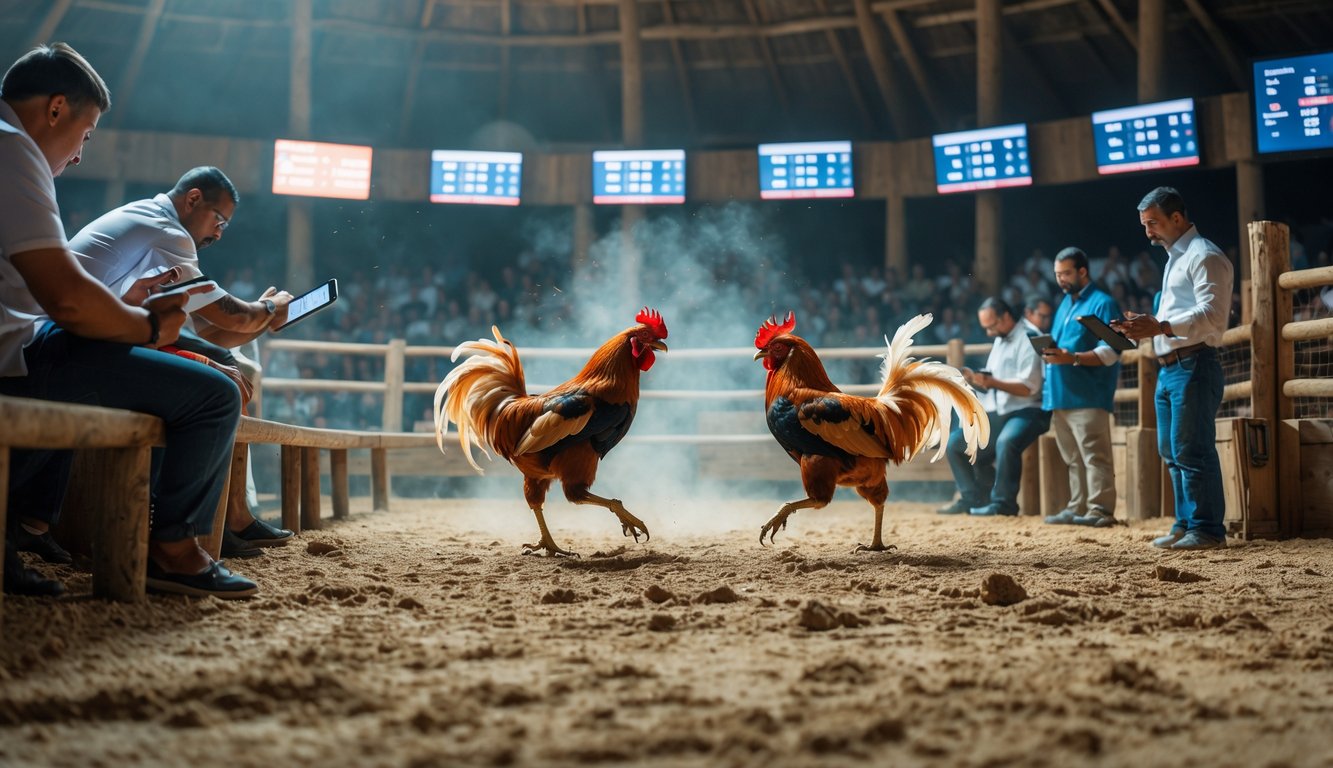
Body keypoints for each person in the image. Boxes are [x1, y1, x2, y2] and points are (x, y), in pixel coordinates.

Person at [0, 42, 255, 598]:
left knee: (108, 355)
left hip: (29, 340)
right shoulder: (13, 151)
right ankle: (174, 550)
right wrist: (148, 327)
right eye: (86, 133)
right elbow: (66, 302)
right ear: (55, 109)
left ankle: (23, 526)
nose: (79, 155)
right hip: (21, 353)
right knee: (216, 394)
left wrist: (126, 309)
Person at [64, 167, 296, 559]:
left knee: (222, 360)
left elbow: (212, 331)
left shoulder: (154, 222)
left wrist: (263, 317)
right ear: (192, 200)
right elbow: (231, 318)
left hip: (90, 340)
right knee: (217, 387)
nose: (220, 232)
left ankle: (231, 516)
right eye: (218, 219)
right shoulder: (168, 232)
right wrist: (269, 308)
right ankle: (178, 538)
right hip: (76, 347)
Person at [1113, 186, 1234, 550]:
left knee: (1192, 448)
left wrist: (1161, 326)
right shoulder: (1175, 258)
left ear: (1177, 218)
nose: (1148, 231)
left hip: (1194, 361)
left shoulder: (1205, 256)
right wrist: (1147, 325)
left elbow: (1212, 317)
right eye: (1145, 224)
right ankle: (1185, 523)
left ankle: (1208, 529)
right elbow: (1179, 316)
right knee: (1172, 450)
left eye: (1153, 223)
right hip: (1171, 365)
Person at [938, 297, 1050, 517]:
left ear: (1006, 317)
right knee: (955, 443)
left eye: (991, 326)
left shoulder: (1030, 336)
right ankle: (971, 500)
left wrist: (991, 382)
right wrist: (974, 380)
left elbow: (1030, 388)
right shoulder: (1000, 338)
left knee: (1006, 441)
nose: (989, 332)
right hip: (1001, 410)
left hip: (1029, 410)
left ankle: (1004, 504)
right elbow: (993, 381)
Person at [1038, 247, 1122, 527]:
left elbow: (1111, 351)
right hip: (1061, 394)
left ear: (1083, 271)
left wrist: (1070, 357)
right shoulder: (1065, 303)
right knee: (1073, 457)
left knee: (1094, 455)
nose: (1060, 279)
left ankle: (1100, 509)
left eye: (1065, 273)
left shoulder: (1102, 303)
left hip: (1088, 394)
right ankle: (1078, 506)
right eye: (1057, 274)